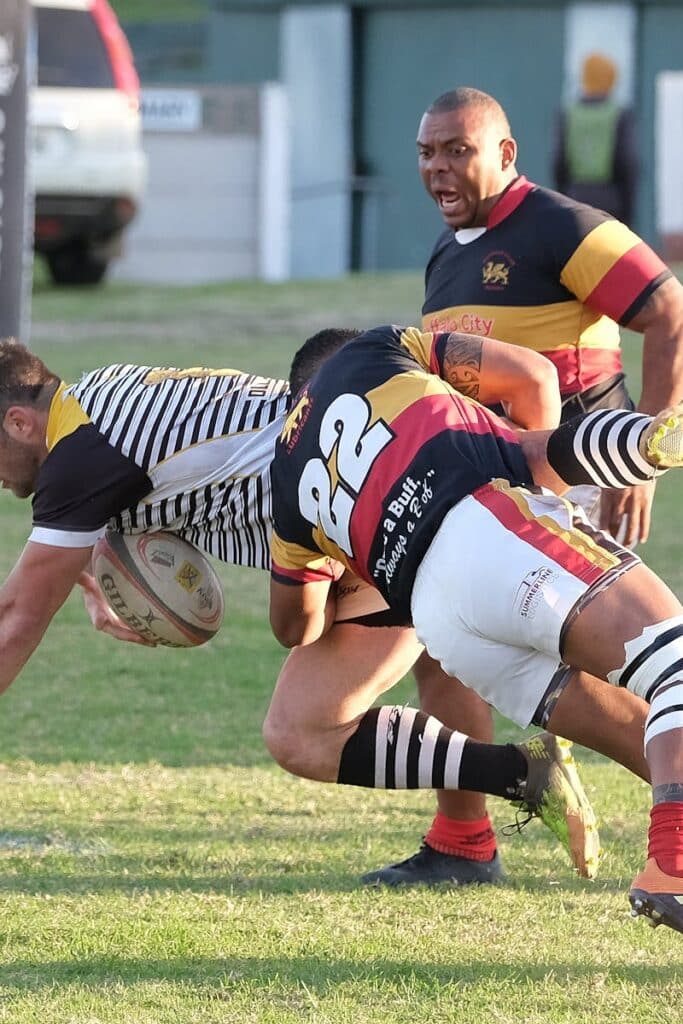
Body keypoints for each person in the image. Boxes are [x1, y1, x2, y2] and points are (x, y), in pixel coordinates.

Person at [0, 336, 648, 882]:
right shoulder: (99, 397)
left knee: (300, 734)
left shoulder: (81, 460)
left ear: (19, 423)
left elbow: (15, 620)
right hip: (388, 506)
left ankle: (526, 775)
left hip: (364, 528)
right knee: (498, 669)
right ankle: (465, 841)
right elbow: (163, 469)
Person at [360, 83, 683, 888]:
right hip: (482, 492)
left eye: (457, 150)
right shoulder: (450, 248)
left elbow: (669, 311)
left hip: (561, 483)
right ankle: (462, 843)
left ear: (505, 154)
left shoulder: (560, 225)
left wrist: (639, 452)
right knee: (447, 651)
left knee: (605, 666)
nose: (438, 168)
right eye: (427, 153)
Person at [268, 323, 683, 935]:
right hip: (495, 533)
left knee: (639, 730)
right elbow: (537, 446)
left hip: (442, 623)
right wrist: (643, 441)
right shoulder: (380, 349)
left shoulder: (285, 477)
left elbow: (294, 627)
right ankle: (672, 865)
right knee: (675, 665)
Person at [553, 53, 639, 227]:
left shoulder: (568, 114)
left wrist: (562, 197)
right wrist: (628, 210)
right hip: (611, 200)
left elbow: (559, 162)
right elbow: (627, 163)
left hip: (574, 197)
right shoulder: (618, 114)